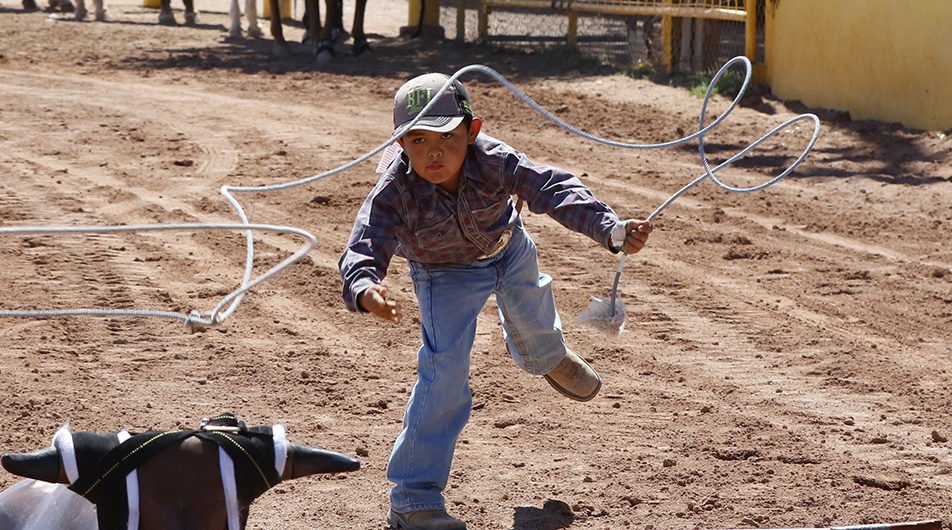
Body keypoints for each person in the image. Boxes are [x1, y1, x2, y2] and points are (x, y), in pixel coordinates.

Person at [338, 73, 652, 530]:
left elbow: (552, 188)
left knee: (535, 312)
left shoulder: (496, 160)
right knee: (443, 371)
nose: (434, 152)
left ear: (473, 130)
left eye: (447, 136)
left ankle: (547, 356)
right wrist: (366, 288)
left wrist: (611, 229)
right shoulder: (394, 189)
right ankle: (413, 498)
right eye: (419, 139)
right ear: (401, 142)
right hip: (443, 273)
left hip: (508, 247)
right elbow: (364, 244)